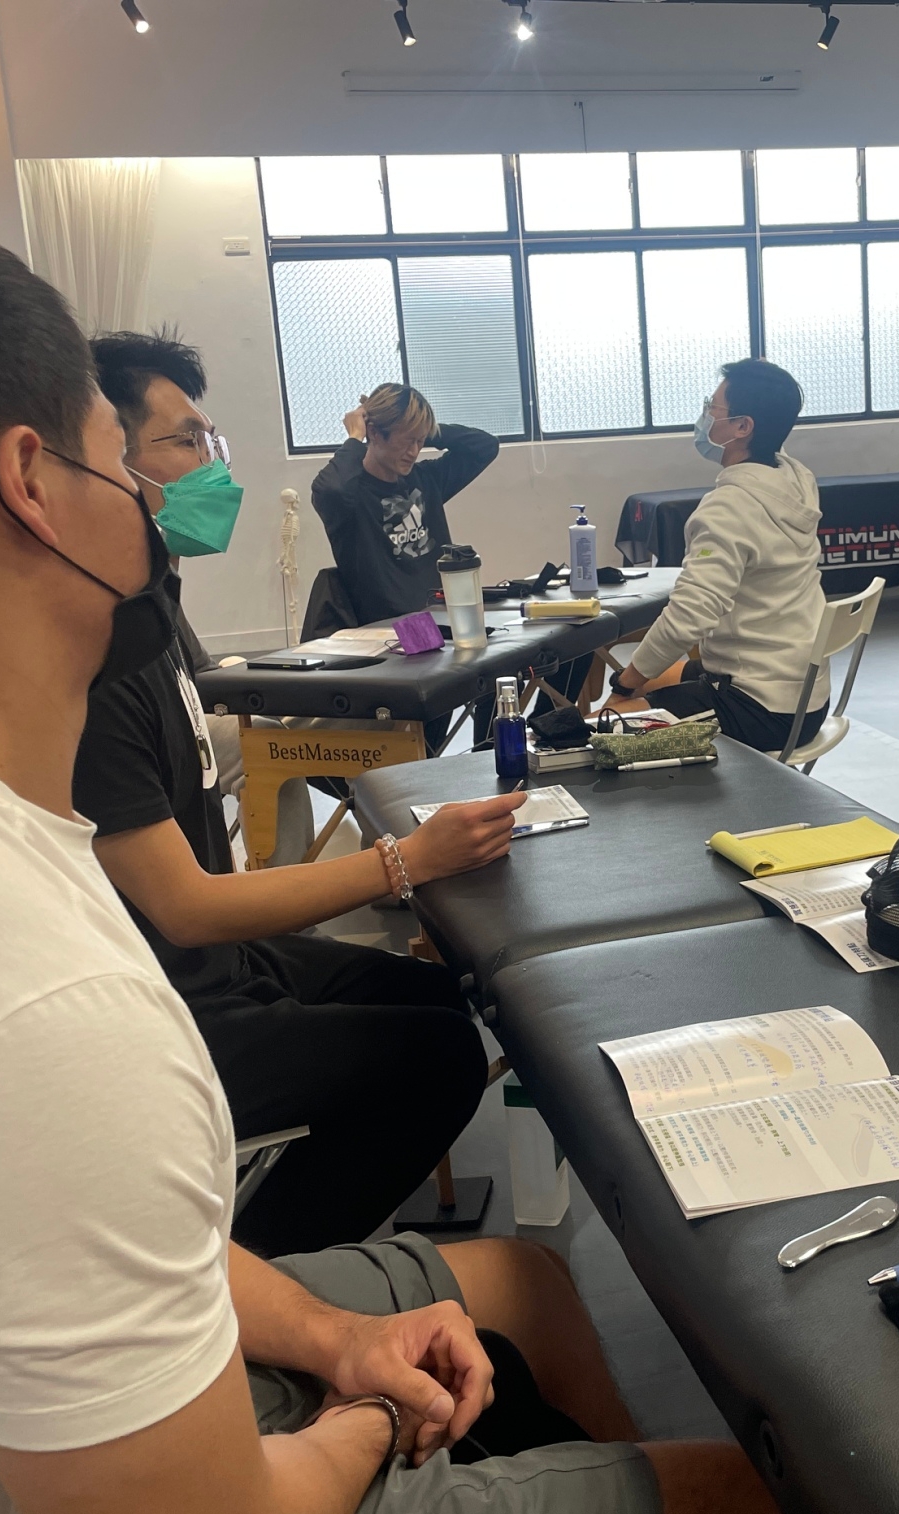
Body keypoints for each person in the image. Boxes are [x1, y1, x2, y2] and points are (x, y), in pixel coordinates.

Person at [0, 215, 785, 1514]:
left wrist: (336, 1339)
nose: (160, 495)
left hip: (31, 1406)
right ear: (32, 483)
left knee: (525, 1290)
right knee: (748, 1496)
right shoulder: (37, 1018)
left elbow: (95, 1231)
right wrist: (373, 1410)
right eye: (125, 457)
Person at [76, 328, 526, 1255]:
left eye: (210, 437)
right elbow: (185, 908)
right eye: (185, 441)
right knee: (439, 1057)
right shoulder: (98, 660)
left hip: (225, 959)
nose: (213, 463)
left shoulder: (155, 614)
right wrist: (405, 861)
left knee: (438, 998)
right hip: (175, 1001)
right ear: (100, 461)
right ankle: (262, 1286)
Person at [606, 359, 831, 753]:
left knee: (601, 729)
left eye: (712, 407)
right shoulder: (795, 479)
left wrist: (625, 684)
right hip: (805, 698)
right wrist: (635, 681)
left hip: (759, 709)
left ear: (743, 426)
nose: (705, 416)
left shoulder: (728, 508)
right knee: (652, 679)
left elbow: (688, 616)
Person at [311, 382, 499, 627]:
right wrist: (355, 438)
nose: (414, 451)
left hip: (442, 618)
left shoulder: (426, 479)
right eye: (407, 441)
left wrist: (423, 429)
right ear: (374, 433)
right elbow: (329, 489)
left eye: (420, 442)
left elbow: (485, 446)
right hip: (388, 630)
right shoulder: (349, 497)